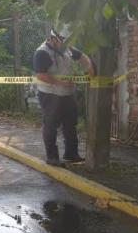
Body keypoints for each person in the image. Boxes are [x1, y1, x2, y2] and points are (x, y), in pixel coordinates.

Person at [33, 30, 94, 166]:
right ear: (53, 39)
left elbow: (82, 56)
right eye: (63, 43)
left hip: (67, 94)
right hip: (49, 94)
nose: (65, 46)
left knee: (70, 124)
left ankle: (71, 154)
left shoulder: (67, 48)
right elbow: (41, 75)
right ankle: (52, 157)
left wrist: (89, 66)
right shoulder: (42, 53)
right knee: (51, 125)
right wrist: (62, 83)